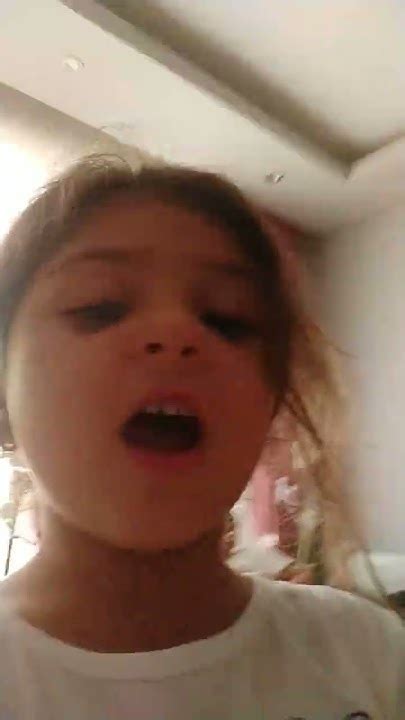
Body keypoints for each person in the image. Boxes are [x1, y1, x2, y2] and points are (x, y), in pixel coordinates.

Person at [0, 155, 402, 719]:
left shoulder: (371, 652)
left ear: (270, 410)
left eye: (227, 319)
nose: (175, 330)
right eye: (100, 307)